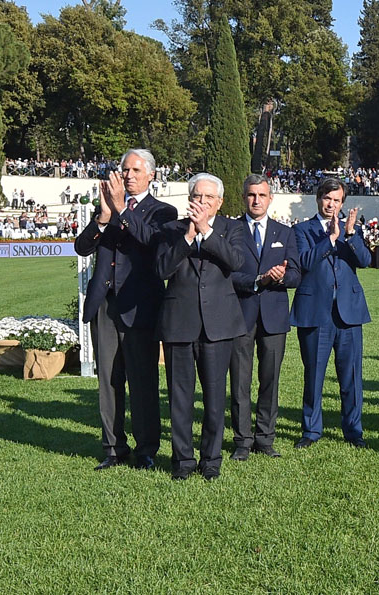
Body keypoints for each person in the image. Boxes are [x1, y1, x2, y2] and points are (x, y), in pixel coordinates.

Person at [74, 148, 177, 471]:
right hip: (106, 304)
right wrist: (103, 218)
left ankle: (146, 447)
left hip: (140, 306)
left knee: (143, 380)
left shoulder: (163, 211)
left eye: (134, 170)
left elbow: (153, 244)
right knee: (109, 380)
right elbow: (82, 246)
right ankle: (114, 447)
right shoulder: (108, 207)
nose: (128, 175)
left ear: (151, 175)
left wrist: (122, 211)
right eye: (124, 170)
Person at [154, 173, 252, 481]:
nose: (203, 202)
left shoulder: (232, 229)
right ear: (189, 198)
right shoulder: (171, 230)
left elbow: (236, 262)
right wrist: (188, 237)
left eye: (210, 198)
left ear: (220, 202)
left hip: (218, 327)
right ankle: (182, 461)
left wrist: (207, 231)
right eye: (198, 196)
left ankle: (211, 460)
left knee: (214, 398)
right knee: (180, 398)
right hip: (179, 325)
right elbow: (161, 269)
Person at [291, 177, 373, 448]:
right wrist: (331, 239)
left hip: (349, 314)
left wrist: (349, 236)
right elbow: (305, 262)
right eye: (328, 198)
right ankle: (311, 431)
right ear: (318, 199)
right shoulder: (303, 230)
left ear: (342, 203)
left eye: (337, 200)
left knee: (351, 376)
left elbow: (365, 260)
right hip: (315, 312)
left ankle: (353, 431)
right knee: (313, 375)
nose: (332, 204)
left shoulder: (353, 230)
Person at [228, 174, 300, 461]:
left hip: (273, 316)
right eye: (251, 195)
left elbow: (296, 274)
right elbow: (227, 274)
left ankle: (265, 438)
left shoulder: (285, 233)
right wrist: (257, 280)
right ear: (244, 197)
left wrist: (281, 277)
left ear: (270, 199)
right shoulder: (231, 231)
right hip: (240, 314)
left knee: (270, 380)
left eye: (262, 195)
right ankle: (242, 441)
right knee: (240, 381)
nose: (256, 200)